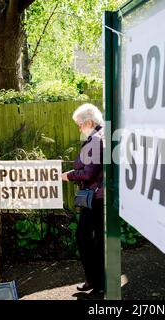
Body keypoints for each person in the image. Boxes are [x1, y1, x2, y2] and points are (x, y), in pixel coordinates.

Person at [61, 103, 105, 293]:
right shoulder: (98, 137)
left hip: (96, 198)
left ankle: (96, 282)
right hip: (97, 197)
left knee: (84, 238)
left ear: (89, 122)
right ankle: (95, 281)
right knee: (93, 240)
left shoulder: (96, 140)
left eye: (80, 124)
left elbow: (89, 173)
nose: (79, 127)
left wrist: (69, 175)